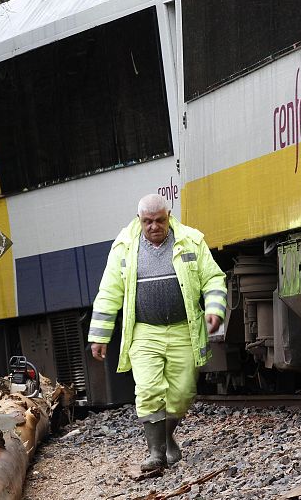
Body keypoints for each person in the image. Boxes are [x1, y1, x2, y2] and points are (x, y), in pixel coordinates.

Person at [88, 193, 226, 470]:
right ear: (139, 219)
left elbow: (213, 278)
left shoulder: (190, 240)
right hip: (144, 332)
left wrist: (214, 309)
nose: (154, 226)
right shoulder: (124, 247)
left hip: (183, 331)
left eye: (159, 220)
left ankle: (165, 436)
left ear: (169, 216)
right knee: (149, 390)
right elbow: (108, 293)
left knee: (183, 393)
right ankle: (156, 454)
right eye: (147, 221)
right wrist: (99, 336)